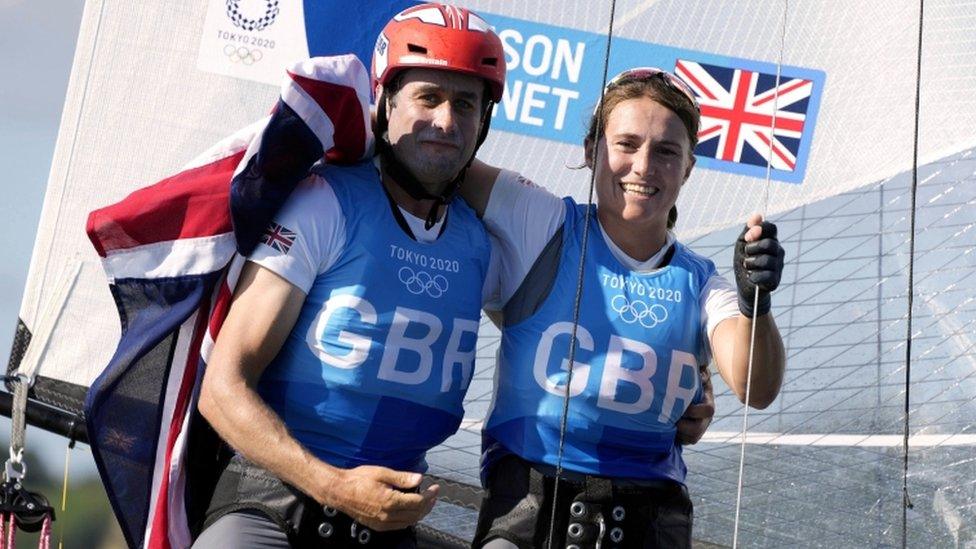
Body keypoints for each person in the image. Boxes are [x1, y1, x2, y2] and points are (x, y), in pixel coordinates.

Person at [192, 4, 507, 547]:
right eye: (427, 98)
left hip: (387, 526)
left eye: (466, 104)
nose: (447, 121)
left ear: (484, 122)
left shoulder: (482, 243)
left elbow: (571, 328)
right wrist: (335, 487)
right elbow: (221, 391)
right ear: (384, 104)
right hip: (272, 508)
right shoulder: (324, 204)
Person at [458, 67, 787, 548]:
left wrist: (755, 303)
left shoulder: (701, 283)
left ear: (689, 167)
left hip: (648, 516)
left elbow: (757, 389)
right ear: (592, 151)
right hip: (527, 503)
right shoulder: (542, 221)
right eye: (626, 144)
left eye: (667, 152)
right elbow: (433, 154)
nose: (644, 166)